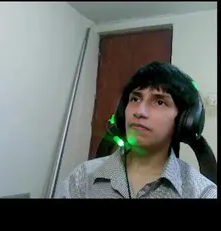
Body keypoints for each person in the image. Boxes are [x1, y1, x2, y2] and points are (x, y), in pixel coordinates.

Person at [59, 61, 217, 198]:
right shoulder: (82, 179)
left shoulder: (203, 193)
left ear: (185, 120)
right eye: (135, 99)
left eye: (159, 102)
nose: (139, 111)